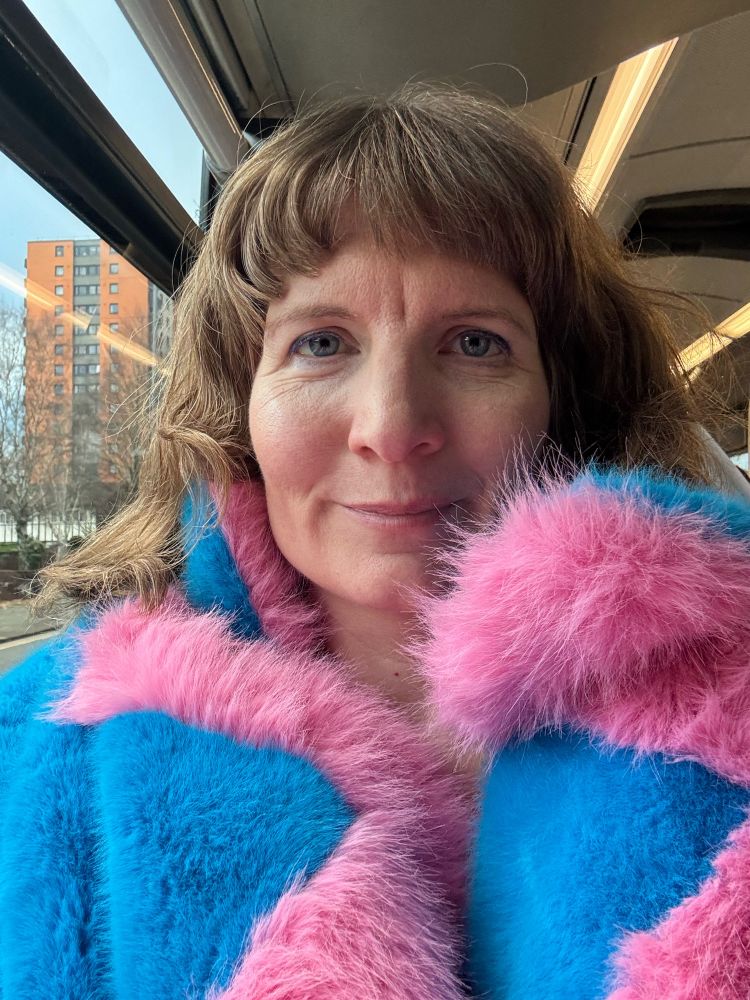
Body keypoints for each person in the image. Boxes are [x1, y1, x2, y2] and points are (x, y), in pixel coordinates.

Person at [1, 84, 749, 1000]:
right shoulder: (43, 749)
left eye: (475, 343)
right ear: (241, 402)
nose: (392, 427)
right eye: (320, 343)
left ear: (566, 396)